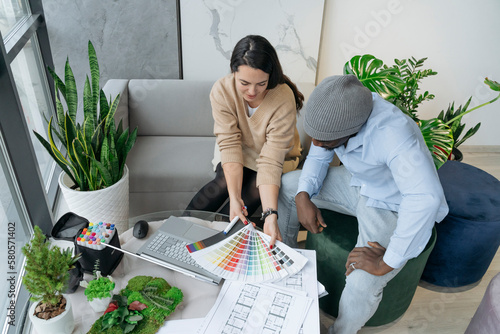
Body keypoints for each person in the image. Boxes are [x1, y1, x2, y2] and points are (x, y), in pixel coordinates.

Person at [277, 75, 449, 333]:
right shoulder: (338, 108)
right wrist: (304, 194)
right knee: (290, 184)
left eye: (326, 141)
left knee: (362, 282)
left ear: (353, 129)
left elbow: (425, 199)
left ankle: (341, 331)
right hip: (359, 183)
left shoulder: (395, 136)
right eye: (315, 137)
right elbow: (319, 154)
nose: (318, 145)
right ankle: (286, 265)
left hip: (392, 205)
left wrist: (386, 262)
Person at [186, 35, 304, 247]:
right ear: (233, 72)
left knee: (250, 192)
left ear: (271, 75)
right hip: (238, 148)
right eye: (244, 83)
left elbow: (271, 160)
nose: (252, 91)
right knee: (222, 185)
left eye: (261, 84)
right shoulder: (222, 90)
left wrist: (270, 215)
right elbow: (230, 145)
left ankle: (215, 247)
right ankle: (180, 230)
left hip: (272, 155)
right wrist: (233, 197)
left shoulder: (282, 97)